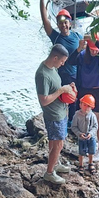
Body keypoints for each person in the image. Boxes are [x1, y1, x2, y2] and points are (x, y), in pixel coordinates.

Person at [35, 43, 77, 184]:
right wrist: (61, 91)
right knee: (58, 144)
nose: (63, 64)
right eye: (62, 61)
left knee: (55, 142)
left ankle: (55, 163)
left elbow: (56, 88)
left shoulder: (53, 68)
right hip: (53, 115)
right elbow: (44, 100)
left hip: (61, 111)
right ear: (55, 57)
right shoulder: (43, 75)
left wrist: (67, 89)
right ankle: (49, 173)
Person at [39, 0, 83, 119]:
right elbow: (45, 20)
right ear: (57, 25)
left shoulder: (77, 36)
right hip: (63, 73)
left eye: (65, 22)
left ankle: (74, 122)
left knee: (76, 99)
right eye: (60, 23)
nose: (63, 25)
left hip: (77, 73)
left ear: (69, 23)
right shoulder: (56, 37)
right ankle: (65, 121)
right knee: (64, 99)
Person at [74, 33, 99, 162]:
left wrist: (94, 39)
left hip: (98, 91)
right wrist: (79, 47)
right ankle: (86, 149)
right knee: (84, 122)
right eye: (92, 50)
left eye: (96, 50)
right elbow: (71, 61)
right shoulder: (83, 56)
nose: (95, 52)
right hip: (84, 90)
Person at [71, 94, 99, 174]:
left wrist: (91, 133)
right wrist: (79, 134)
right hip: (81, 138)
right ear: (80, 105)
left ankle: (90, 163)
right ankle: (81, 165)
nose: (86, 107)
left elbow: (95, 126)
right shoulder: (77, 115)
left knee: (91, 151)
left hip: (91, 137)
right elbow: (74, 127)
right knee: (81, 152)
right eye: (84, 105)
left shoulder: (92, 115)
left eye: (88, 106)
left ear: (92, 107)